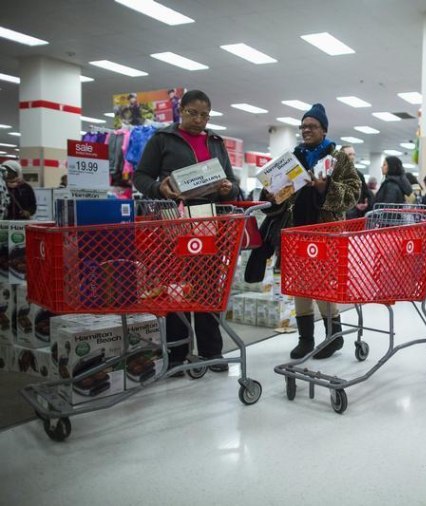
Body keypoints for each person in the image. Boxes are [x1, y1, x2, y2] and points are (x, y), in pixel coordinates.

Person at [134, 89, 240, 376]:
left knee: (206, 286)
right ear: (181, 110)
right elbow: (140, 176)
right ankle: (177, 354)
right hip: (175, 221)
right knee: (177, 286)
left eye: (205, 114)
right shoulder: (163, 139)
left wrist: (230, 187)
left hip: (208, 221)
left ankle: (211, 351)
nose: (199, 119)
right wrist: (159, 188)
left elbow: (232, 181)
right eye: (193, 113)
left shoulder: (216, 142)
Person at [262, 103, 360, 360]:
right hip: (295, 233)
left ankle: (333, 337)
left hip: (325, 232)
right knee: (299, 287)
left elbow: (353, 193)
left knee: (323, 286)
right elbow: (280, 196)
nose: (306, 130)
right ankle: (306, 339)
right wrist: (272, 194)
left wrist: (324, 188)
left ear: (324, 130)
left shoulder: (337, 158)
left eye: (312, 126)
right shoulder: (291, 158)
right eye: (303, 126)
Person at [342, 145, 373, 218]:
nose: (352, 157)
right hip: (342, 215)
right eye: (349, 154)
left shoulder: (359, 174)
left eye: (353, 154)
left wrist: (366, 203)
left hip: (356, 215)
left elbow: (365, 191)